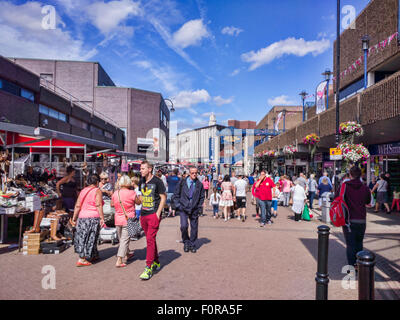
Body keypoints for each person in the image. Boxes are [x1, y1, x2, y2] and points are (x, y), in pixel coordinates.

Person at [138, 161, 166, 280]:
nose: (141, 170)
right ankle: (156, 261)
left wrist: (158, 213)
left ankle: (148, 267)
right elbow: (140, 198)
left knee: (150, 239)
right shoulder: (141, 181)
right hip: (143, 214)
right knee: (150, 239)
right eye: (140, 168)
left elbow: (163, 197)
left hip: (153, 214)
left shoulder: (157, 181)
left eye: (143, 168)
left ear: (149, 169)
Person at [340, 166, 371, 268]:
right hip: (362, 220)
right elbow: (367, 201)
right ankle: (359, 266)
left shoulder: (345, 186)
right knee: (359, 243)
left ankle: (351, 268)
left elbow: (337, 198)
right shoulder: (365, 188)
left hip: (349, 220)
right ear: (361, 175)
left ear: (350, 175)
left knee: (350, 245)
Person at [71, 174, 104, 267]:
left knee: (84, 236)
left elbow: (78, 205)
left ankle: (94, 254)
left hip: (82, 217)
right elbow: (98, 204)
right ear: (97, 182)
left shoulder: (83, 191)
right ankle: (81, 259)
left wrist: (74, 218)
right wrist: (102, 218)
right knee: (91, 237)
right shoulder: (97, 191)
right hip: (93, 217)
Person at [172, 166, 205, 253]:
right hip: (183, 207)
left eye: (196, 173)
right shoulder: (182, 182)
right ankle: (186, 242)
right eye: (192, 173)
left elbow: (202, 197)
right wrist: (178, 205)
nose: (194, 175)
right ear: (189, 173)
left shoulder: (199, 184)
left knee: (194, 228)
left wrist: (198, 207)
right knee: (184, 226)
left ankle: (192, 244)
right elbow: (176, 194)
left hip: (194, 208)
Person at [111, 175, 141, 268]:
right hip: (129, 218)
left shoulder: (116, 193)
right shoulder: (132, 193)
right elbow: (138, 202)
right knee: (124, 240)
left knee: (122, 239)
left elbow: (112, 204)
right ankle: (119, 260)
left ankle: (127, 254)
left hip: (118, 219)